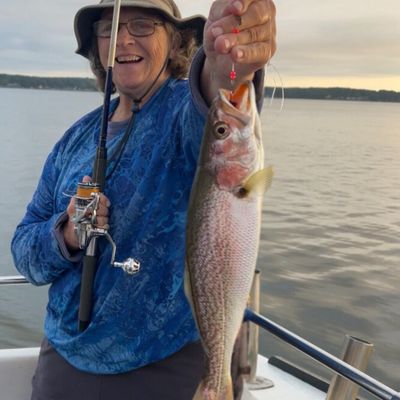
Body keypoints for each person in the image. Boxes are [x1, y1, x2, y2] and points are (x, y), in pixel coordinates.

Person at [11, 0, 276, 398]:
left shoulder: (183, 112)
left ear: (175, 43)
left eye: (142, 25)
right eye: (108, 28)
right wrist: (66, 234)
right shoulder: (74, 140)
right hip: (63, 362)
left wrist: (228, 62)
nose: (122, 39)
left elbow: (215, 96)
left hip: (164, 367)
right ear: (96, 47)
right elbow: (24, 250)